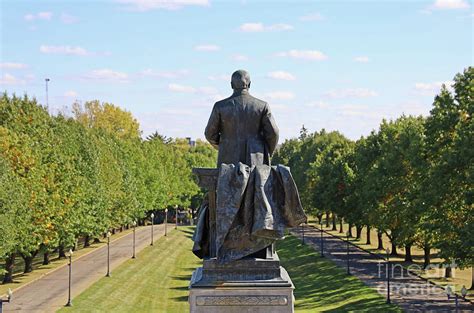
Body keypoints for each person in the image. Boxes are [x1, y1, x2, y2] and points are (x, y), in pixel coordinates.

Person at [205, 70, 279, 167]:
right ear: (249, 84)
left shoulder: (220, 107)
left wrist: (224, 145)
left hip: (227, 162)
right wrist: (266, 151)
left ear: (231, 85)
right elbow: (274, 133)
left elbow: (209, 134)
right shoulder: (262, 106)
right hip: (256, 161)